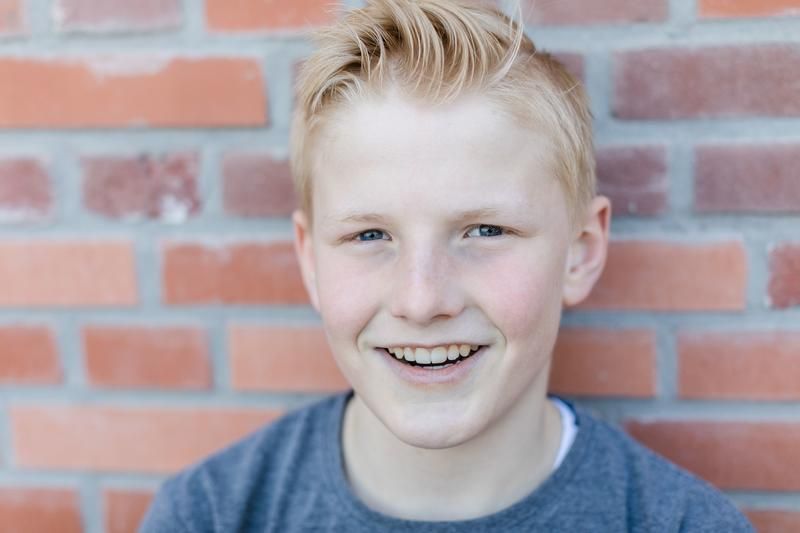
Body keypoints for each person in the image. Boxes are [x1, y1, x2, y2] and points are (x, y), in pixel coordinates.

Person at [140, 1, 754, 531]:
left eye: (485, 231)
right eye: (369, 235)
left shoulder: (683, 524)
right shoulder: (209, 516)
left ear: (581, 252)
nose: (422, 299)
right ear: (310, 260)